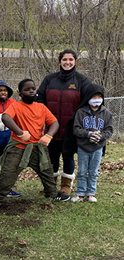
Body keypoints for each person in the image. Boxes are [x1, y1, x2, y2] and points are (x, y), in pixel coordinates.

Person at [0, 79, 70, 208]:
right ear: (20, 93)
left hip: (37, 147)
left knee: (47, 171)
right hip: (18, 147)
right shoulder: (16, 106)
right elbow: (5, 117)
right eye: (27, 89)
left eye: (33, 88)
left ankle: (52, 193)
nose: (31, 91)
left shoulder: (41, 107)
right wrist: (20, 132)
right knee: (8, 174)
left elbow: (54, 123)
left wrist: (49, 135)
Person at [37, 49, 92, 196]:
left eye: (70, 60)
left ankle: (66, 187)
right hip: (51, 129)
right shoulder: (49, 79)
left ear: (75, 62)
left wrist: (78, 120)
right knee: (51, 158)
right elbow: (39, 100)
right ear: (59, 61)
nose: (67, 62)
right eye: (64, 60)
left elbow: (88, 101)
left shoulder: (82, 81)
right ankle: (50, 186)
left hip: (71, 129)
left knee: (68, 156)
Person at [71, 84, 113, 203]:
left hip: (97, 147)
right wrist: (88, 134)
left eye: (99, 96)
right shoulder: (80, 112)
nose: (96, 99)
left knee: (94, 171)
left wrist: (100, 136)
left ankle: (91, 193)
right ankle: (80, 193)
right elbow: (76, 129)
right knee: (82, 170)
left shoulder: (106, 113)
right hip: (83, 147)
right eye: (93, 96)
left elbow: (109, 130)